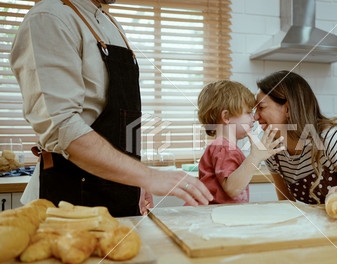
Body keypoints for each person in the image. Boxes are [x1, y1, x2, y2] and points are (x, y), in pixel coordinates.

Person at [9, 0, 212, 217]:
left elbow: (129, 119)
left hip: (122, 193)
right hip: (71, 199)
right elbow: (62, 127)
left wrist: (136, 181)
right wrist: (148, 176)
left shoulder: (111, 25)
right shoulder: (49, 17)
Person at [254, 71, 337, 204]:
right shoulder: (272, 150)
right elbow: (286, 203)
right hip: (335, 223)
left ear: (288, 109)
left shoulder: (329, 138)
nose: (255, 117)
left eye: (261, 107)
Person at [196, 80, 285, 204]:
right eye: (248, 113)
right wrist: (254, 157)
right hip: (214, 216)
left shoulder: (223, 146)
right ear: (226, 117)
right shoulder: (223, 147)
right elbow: (232, 189)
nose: (253, 118)